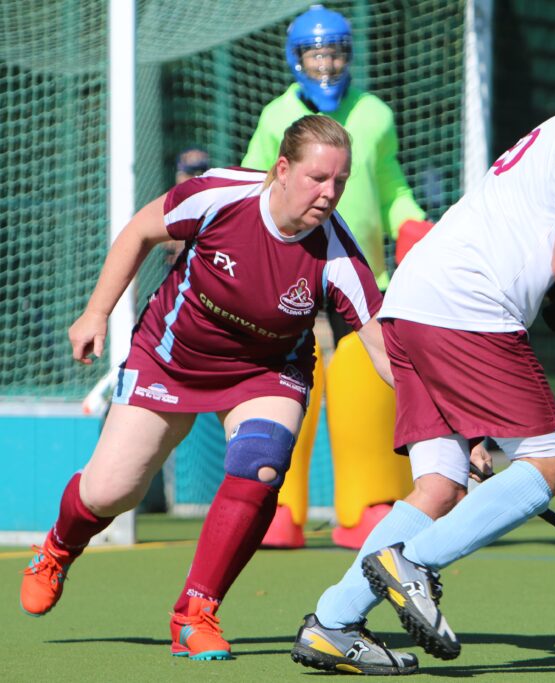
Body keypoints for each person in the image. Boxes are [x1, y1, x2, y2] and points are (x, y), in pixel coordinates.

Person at [290, 32, 555, 675]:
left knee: (438, 485)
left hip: (413, 300)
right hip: (468, 310)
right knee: (551, 463)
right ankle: (415, 563)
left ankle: (332, 623)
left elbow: (537, 244)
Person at [20, 115, 400, 664]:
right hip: (171, 357)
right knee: (110, 492)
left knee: (262, 467)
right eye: (318, 178)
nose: (329, 193)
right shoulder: (221, 195)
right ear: (282, 169)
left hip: (265, 371)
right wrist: (96, 312)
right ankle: (58, 547)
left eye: (340, 181)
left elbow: (386, 353)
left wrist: (445, 423)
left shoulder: (337, 254)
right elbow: (140, 231)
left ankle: (194, 613)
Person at [242, 4, 432, 550]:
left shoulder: (373, 114)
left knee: (366, 383)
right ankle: (276, 504)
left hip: (363, 276)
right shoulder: (276, 118)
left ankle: (368, 504)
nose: (326, 65)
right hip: (289, 275)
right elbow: (254, 185)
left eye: (335, 54)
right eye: (316, 55)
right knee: (285, 385)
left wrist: (410, 223)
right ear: (297, 58)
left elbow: (391, 186)